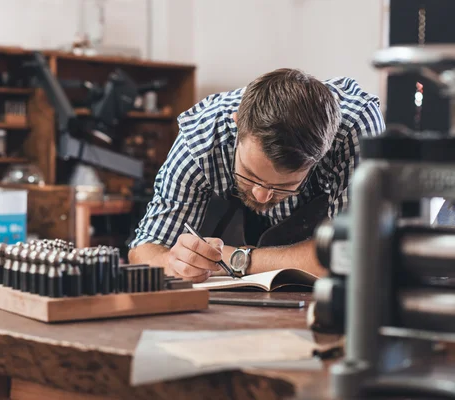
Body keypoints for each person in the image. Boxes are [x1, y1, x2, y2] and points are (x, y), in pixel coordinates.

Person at [127, 68, 385, 282]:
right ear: (238, 124)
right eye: (250, 175)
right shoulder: (202, 137)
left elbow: (355, 254)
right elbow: (144, 249)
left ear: (323, 152)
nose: (261, 196)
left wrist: (239, 258)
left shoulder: (356, 128)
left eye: (285, 186)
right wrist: (172, 261)